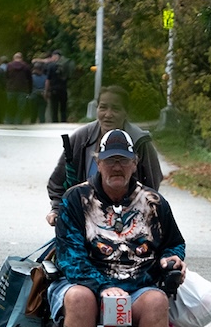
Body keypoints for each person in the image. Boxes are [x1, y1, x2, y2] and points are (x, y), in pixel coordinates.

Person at [48, 129, 187, 327]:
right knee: (78, 298)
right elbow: (70, 258)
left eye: (123, 160)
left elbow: (173, 242)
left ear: (135, 163)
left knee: (157, 301)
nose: (117, 167)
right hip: (83, 282)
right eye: (110, 160)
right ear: (98, 162)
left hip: (138, 284)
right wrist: (102, 287)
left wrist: (173, 260)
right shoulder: (76, 199)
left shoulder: (154, 203)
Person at [45, 85, 163, 226]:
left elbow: (152, 184)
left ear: (126, 112)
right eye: (103, 107)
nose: (108, 114)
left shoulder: (140, 142)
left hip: (128, 222)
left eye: (115, 109)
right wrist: (57, 209)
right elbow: (57, 182)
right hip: (84, 219)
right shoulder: (81, 138)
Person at [44, 49, 73, 122]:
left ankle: (55, 123)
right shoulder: (66, 65)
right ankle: (64, 122)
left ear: (55, 56)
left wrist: (46, 91)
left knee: (54, 109)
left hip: (54, 90)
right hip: (63, 89)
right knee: (63, 109)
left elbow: (48, 80)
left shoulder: (51, 66)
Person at [4, 52, 32, 124]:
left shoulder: (9, 66)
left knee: (10, 105)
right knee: (21, 107)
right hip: (22, 89)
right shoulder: (26, 66)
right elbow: (29, 79)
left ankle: (8, 121)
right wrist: (29, 90)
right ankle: (18, 121)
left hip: (11, 89)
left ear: (14, 58)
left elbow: (6, 77)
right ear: (21, 58)